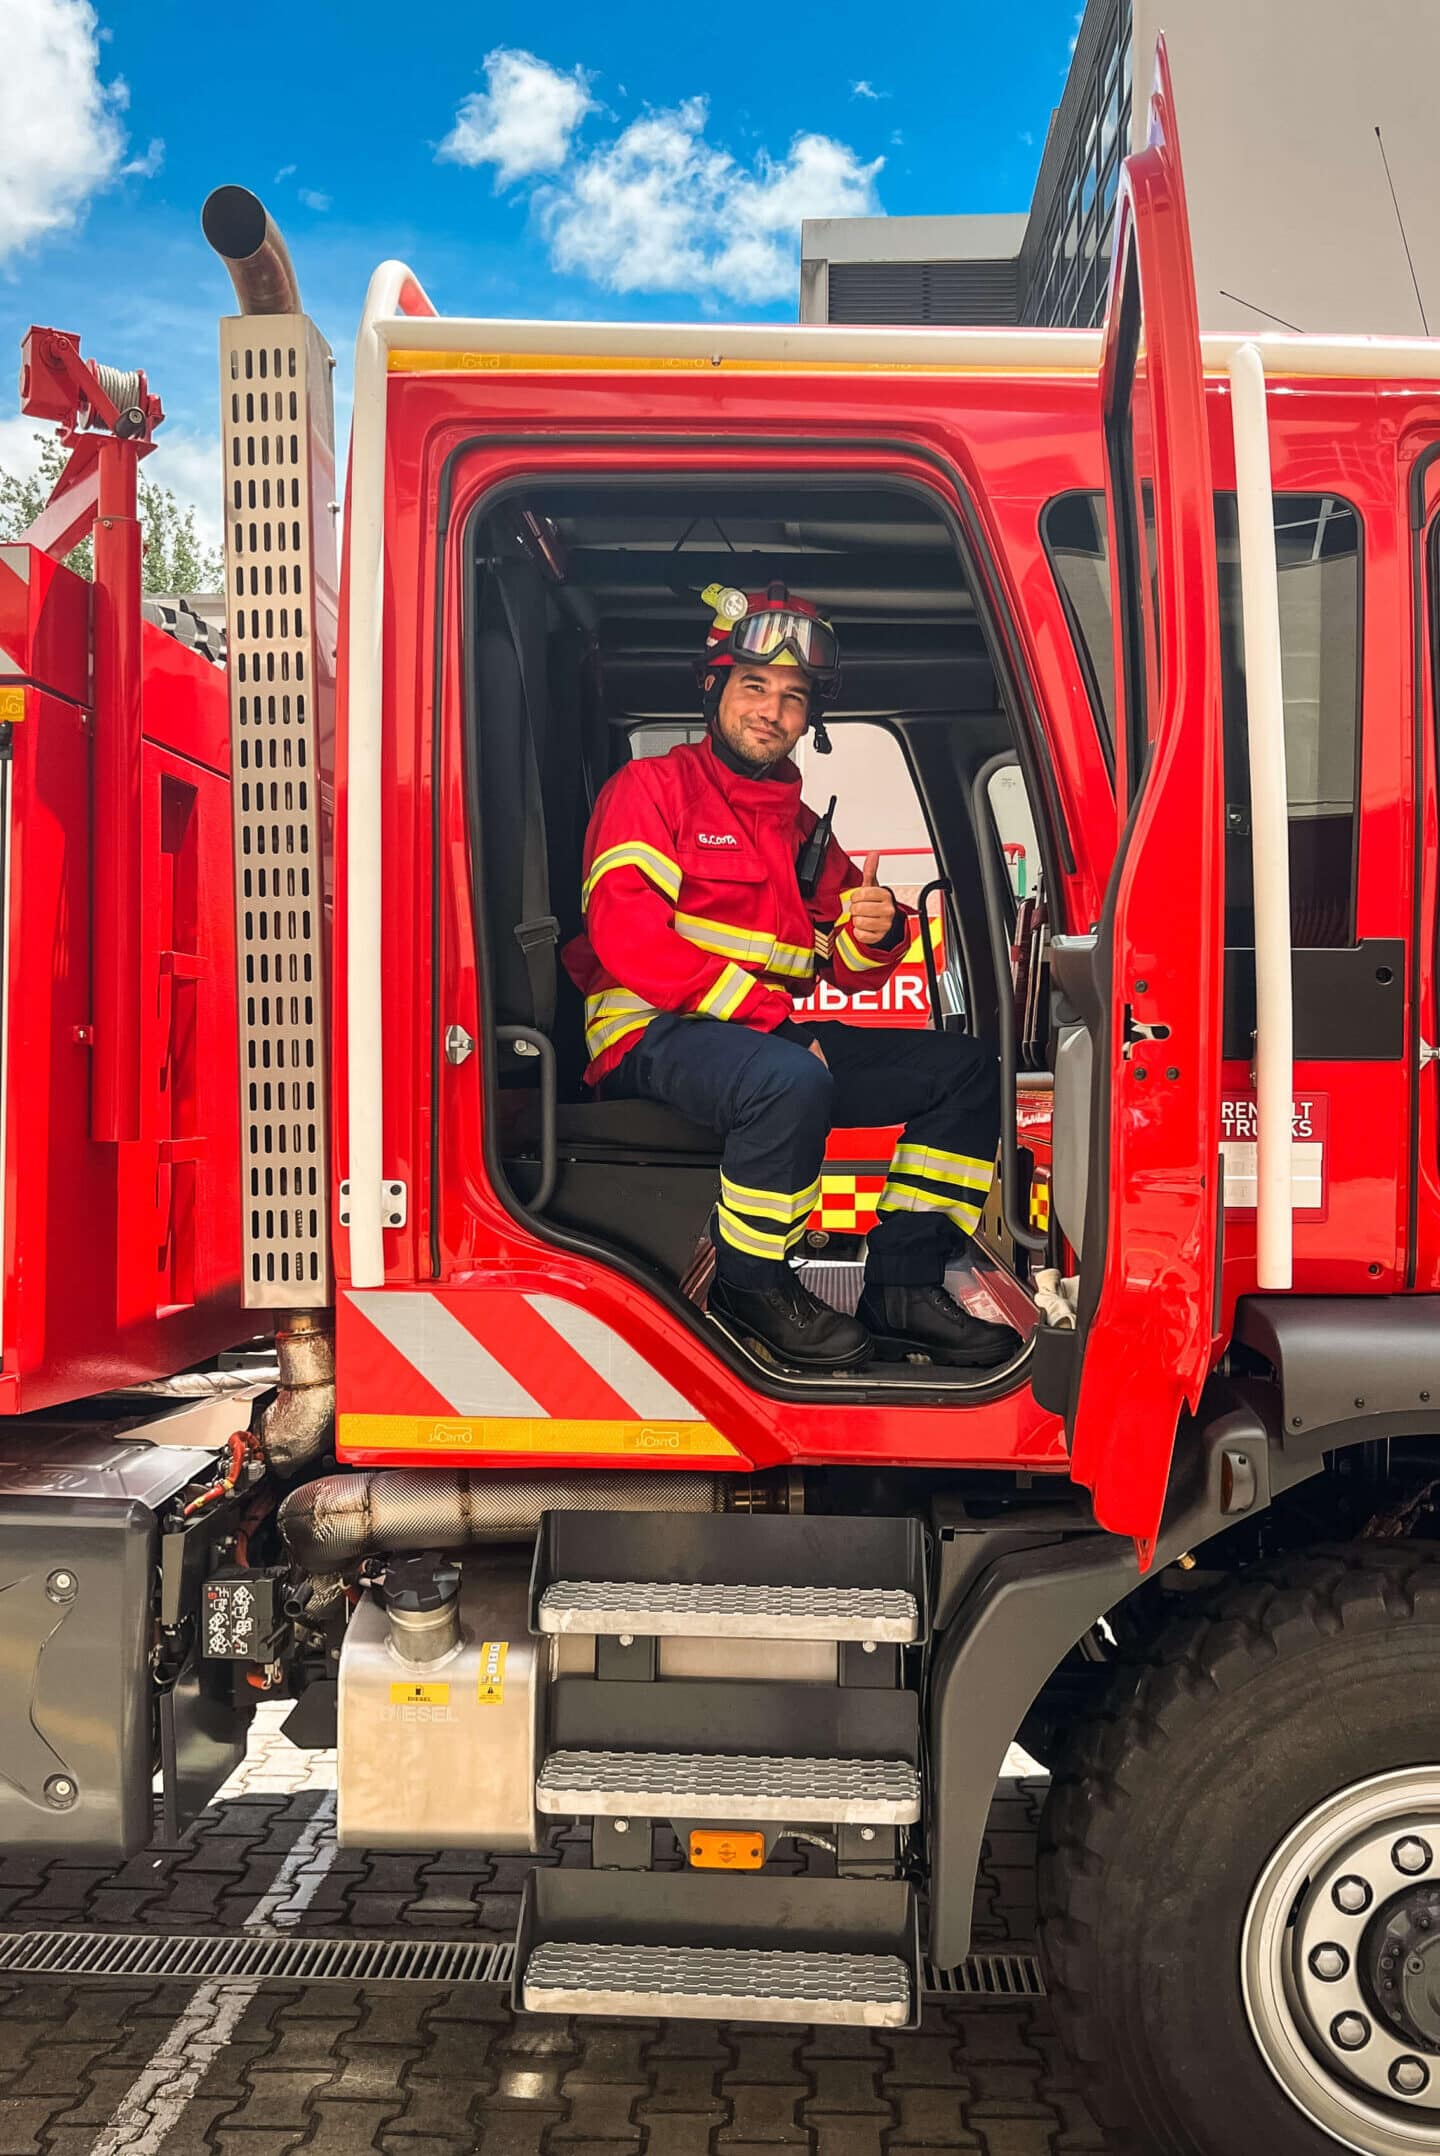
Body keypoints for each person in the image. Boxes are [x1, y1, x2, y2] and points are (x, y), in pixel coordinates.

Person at [561, 581, 1021, 1374]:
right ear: (714, 688)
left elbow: (845, 971)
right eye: (754, 686)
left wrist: (877, 933)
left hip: (756, 1042)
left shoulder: (802, 830)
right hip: (647, 1034)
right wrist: (775, 1026)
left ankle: (905, 1287)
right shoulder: (650, 791)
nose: (771, 711)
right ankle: (752, 1287)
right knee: (788, 1081)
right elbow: (627, 937)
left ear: (811, 719)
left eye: (793, 698)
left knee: (970, 1071)